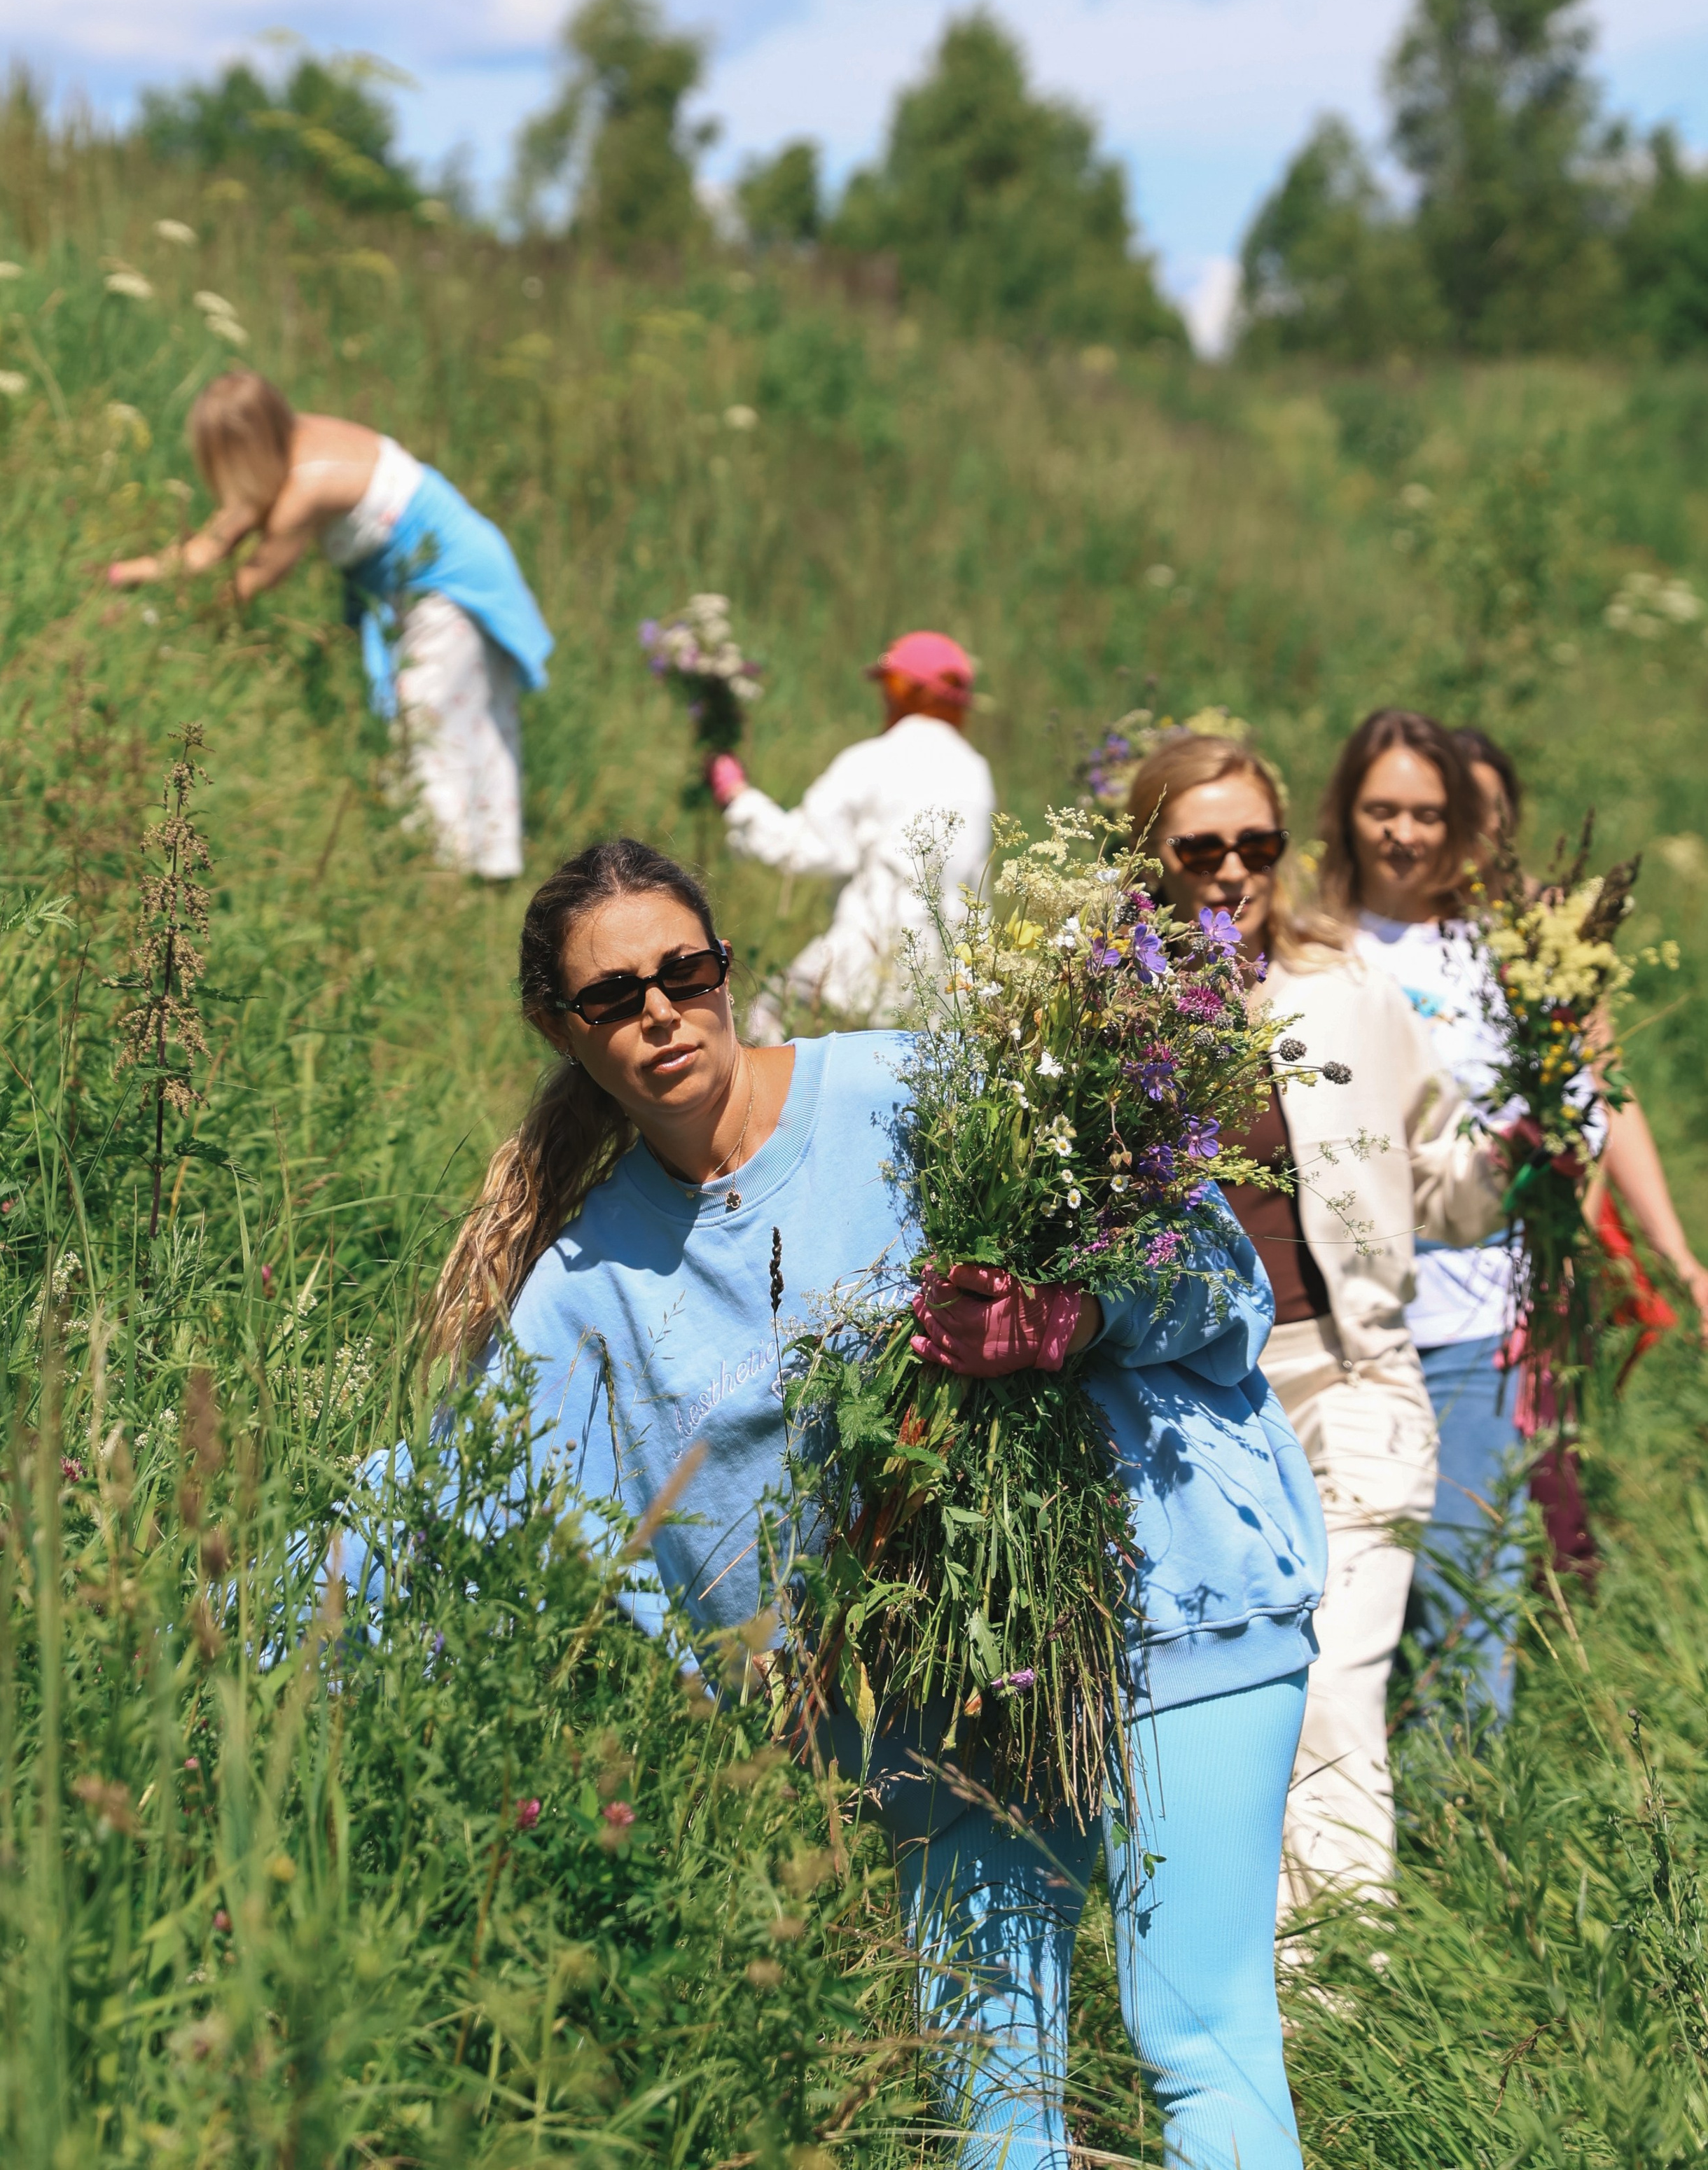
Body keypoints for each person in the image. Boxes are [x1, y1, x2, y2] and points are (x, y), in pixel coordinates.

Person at [421, 835, 1325, 2170]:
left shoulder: (917, 1085)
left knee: (1200, 2036)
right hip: (939, 1683)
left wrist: (1071, 1317)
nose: (660, 1012)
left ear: (729, 970)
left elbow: (1216, 1274)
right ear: (558, 1028)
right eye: (614, 998)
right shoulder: (586, 1285)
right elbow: (503, 1515)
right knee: (989, 2103)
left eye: (687, 970)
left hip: (1173, 1590)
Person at [1130, 731, 1504, 1923]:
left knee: (1336, 1686)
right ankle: (1245, 1981)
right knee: (1235, 1701)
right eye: (1202, 848)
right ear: (1153, 857)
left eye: (1258, 844)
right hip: (1190, 1405)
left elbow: (1445, 1187)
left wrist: (1526, 1149)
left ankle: (1342, 1992)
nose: (1233, 869)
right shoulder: (1108, 1015)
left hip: (1353, 1379)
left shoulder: (1345, 988)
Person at [108, 371, 551, 879]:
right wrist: (126, 573)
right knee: (472, 719)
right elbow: (214, 543)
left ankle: (437, 872)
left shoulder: (307, 487)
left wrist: (171, 629)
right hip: (453, 571)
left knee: (426, 721)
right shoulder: (295, 440)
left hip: (451, 589)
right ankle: (485, 865)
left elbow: (250, 582)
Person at [1316, 707, 1534, 1722]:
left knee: (1466, 1590)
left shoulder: (1502, 951)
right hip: (1339, 1326)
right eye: (1381, 809)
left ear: (1461, 822)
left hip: (1476, 1317)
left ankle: (1467, 1830)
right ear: (1345, 813)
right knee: (1338, 1600)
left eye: (1427, 813)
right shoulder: (1312, 944)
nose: (1403, 833)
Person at [1454, 723, 1707, 1579]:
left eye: (1483, 811)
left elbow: (1606, 1087)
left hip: (1548, 1230)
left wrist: (1673, 1253)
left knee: (1553, 1451)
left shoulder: (1549, 920)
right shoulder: (1373, 938)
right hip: (1437, 1239)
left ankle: (1553, 1627)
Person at [704, 630, 994, 1038]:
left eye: (889, 686)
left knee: (760, 1027)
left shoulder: (874, 761)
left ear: (904, 691)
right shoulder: (976, 773)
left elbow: (807, 849)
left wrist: (736, 797)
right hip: (953, 974)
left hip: (868, 950)